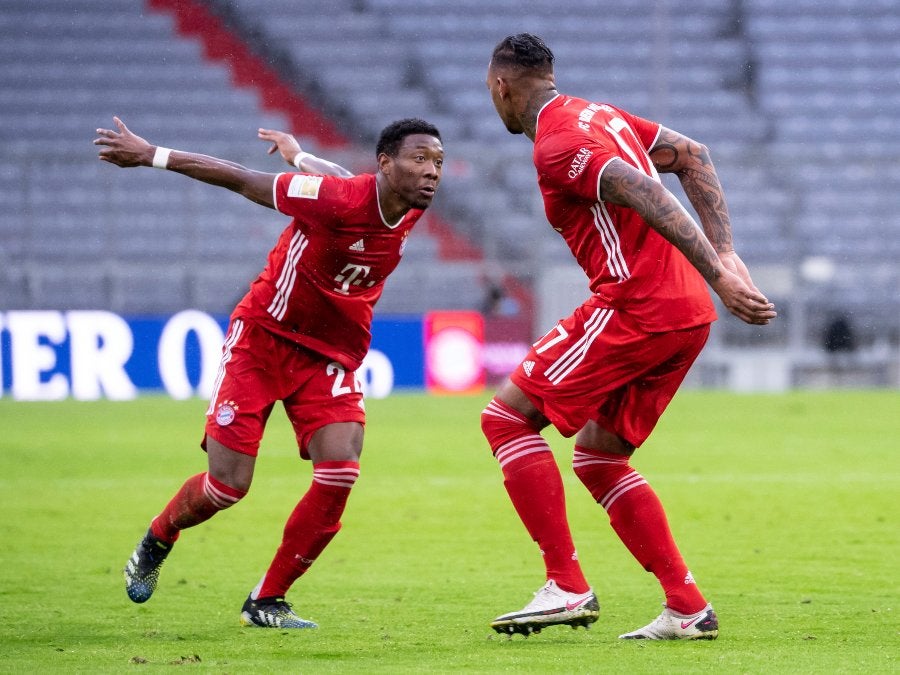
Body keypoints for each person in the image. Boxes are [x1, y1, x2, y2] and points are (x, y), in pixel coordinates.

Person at [94, 115, 443, 628]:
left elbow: (330, 171)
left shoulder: (406, 204)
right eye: (419, 159)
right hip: (263, 340)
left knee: (340, 470)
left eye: (437, 162)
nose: (431, 171)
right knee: (226, 487)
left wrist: (298, 153)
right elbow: (239, 177)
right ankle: (158, 537)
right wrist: (152, 154)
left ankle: (267, 599)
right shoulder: (336, 201)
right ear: (386, 164)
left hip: (328, 354)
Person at [481, 33, 776, 639]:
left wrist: (719, 270)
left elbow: (642, 189)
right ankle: (687, 607)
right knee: (598, 457)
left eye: (493, 96)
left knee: (506, 420)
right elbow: (693, 154)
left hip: (638, 303)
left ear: (502, 87)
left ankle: (565, 586)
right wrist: (723, 252)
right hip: (685, 314)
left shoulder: (557, 143)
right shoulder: (601, 114)